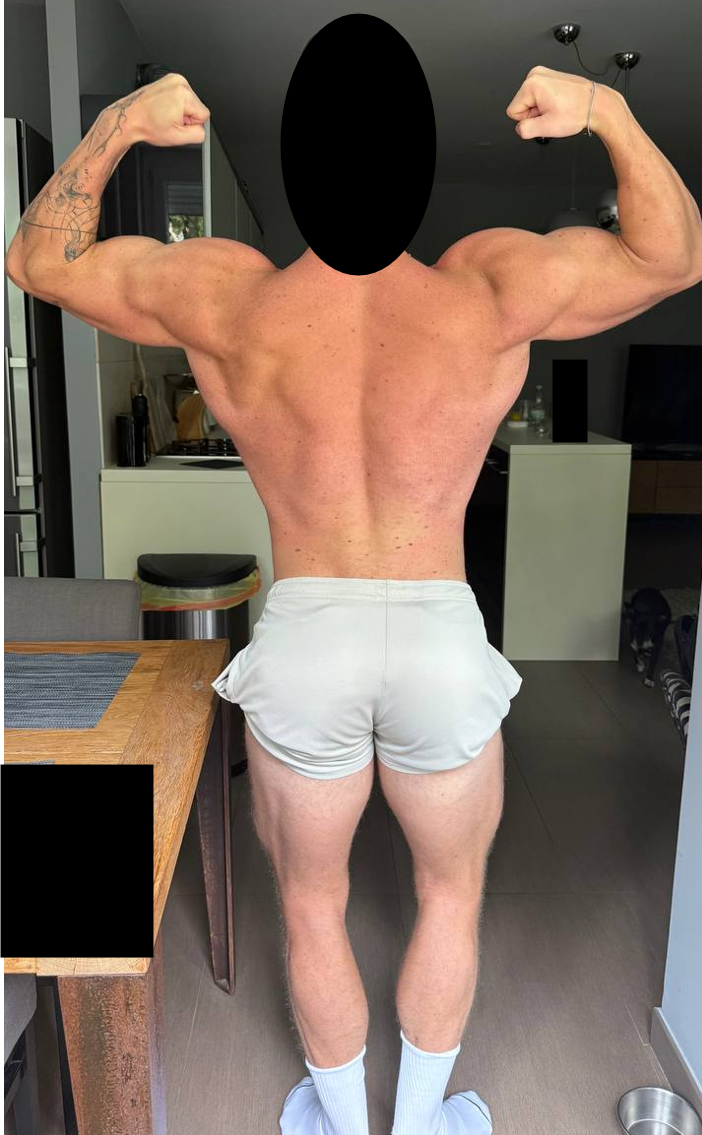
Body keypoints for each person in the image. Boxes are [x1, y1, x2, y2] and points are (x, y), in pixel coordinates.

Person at [5, 59, 701, 1135]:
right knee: (451, 896)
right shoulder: (489, 282)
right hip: (438, 637)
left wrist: (121, 126)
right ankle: (416, 1122)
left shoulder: (230, 293)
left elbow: (36, 261)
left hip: (307, 638)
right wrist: (604, 109)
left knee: (310, 902)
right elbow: (675, 253)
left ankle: (337, 1119)